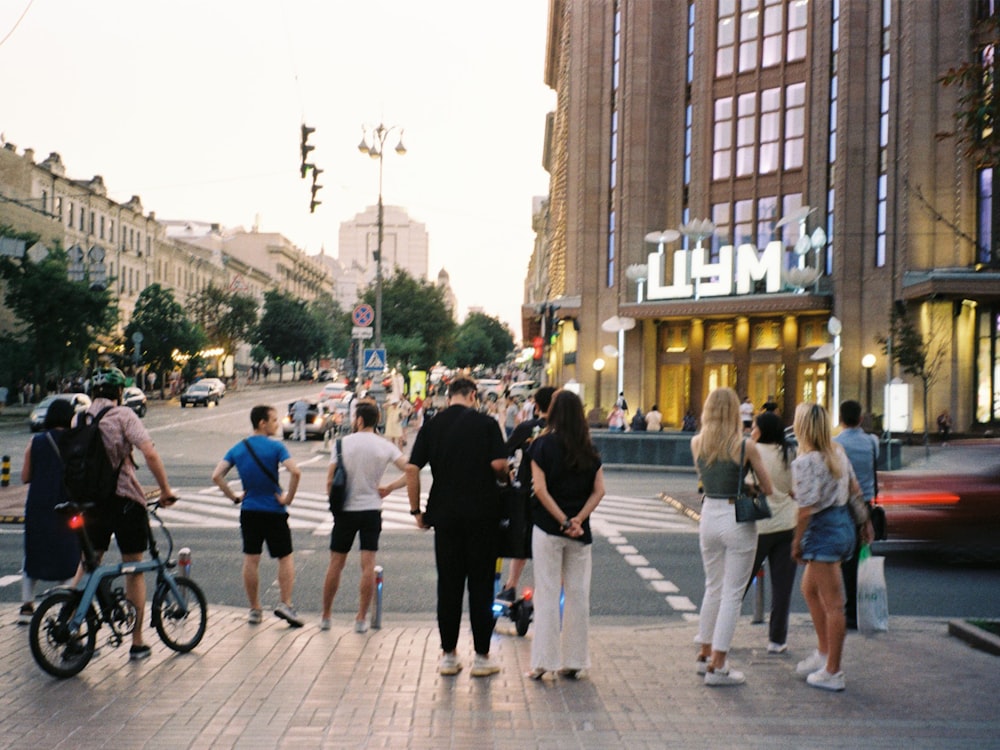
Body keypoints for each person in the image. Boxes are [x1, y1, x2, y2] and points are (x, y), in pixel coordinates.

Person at [404, 377, 509, 677]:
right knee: (480, 585)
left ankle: (448, 656)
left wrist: (416, 510)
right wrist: (504, 479)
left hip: (445, 515)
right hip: (482, 516)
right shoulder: (486, 424)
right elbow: (499, 465)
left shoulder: (433, 425)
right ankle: (482, 657)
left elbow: (412, 468)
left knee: (448, 586)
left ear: (449, 396)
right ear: (473, 395)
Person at [82, 366, 179, 661]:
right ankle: (137, 642)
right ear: (119, 392)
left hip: (89, 503)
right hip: (124, 500)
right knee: (134, 568)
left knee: (90, 563)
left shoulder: (81, 417)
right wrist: (165, 489)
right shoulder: (124, 415)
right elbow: (149, 453)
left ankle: (73, 626)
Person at [691, 387, 773, 686]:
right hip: (736, 518)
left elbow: (704, 480)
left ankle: (704, 653)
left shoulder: (696, 442)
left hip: (708, 516)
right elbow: (767, 488)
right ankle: (719, 664)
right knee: (733, 594)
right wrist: (748, 486)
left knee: (712, 586)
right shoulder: (745, 447)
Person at [792, 403, 873, 692]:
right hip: (842, 524)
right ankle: (824, 653)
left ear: (801, 427)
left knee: (835, 604)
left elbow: (805, 509)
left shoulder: (805, 462)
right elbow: (855, 489)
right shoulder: (837, 452)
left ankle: (833, 671)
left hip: (822, 529)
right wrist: (864, 522)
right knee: (809, 590)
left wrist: (796, 541)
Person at [526, 390, 605, 680]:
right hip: (580, 533)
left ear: (554, 412)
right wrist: (578, 520)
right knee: (578, 594)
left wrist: (562, 520)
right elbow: (600, 490)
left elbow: (540, 489)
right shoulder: (589, 449)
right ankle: (575, 660)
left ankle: (543, 662)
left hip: (548, 528)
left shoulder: (541, 446)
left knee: (546, 593)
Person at [212, 405, 304, 628]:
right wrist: (288, 498)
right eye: (273, 420)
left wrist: (234, 497)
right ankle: (285, 603)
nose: (277, 424)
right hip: (274, 510)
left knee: (251, 558)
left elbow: (216, 475)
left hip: (249, 510)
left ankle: (254, 609)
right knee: (285, 557)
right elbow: (296, 471)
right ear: (262, 423)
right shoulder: (276, 447)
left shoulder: (238, 448)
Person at [321, 402, 409, 632]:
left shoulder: (341, 444)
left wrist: (333, 504)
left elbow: (330, 480)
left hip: (345, 512)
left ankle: (326, 616)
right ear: (376, 420)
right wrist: (389, 487)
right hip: (372, 510)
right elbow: (411, 471)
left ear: (359, 420)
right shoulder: (385, 446)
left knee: (335, 564)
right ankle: (361, 618)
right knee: (368, 565)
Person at [18, 398, 80, 625]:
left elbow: (25, 476)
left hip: (39, 505)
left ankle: (26, 606)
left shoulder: (36, 441)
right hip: (66, 505)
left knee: (34, 553)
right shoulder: (76, 443)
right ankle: (63, 607)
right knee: (67, 555)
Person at [743, 411, 798, 653]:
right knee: (782, 587)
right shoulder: (790, 452)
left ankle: (717, 632)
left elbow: (742, 483)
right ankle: (777, 640)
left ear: (762, 430)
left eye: (754, 427)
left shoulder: (752, 451)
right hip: (788, 523)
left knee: (739, 582)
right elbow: (797, 490)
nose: (751, 430)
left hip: (758, 525)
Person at [499, 386, 557, 599]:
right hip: (553, 495)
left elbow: (504, 453)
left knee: (521, 541)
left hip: (524, 491)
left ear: (537, 405)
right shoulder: (561, 431)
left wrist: (510, 475)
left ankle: (511, 585)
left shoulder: (526, 428)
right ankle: (546, 592)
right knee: (549, 544)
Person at [833, 399, 879, 630]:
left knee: (848, 560)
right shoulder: (872, 441)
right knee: (864, 555)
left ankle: (851, 610)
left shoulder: (835, 444)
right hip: (867, 503)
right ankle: (866, 607)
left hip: (845, 504)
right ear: (860, 419)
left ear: (840, 419)